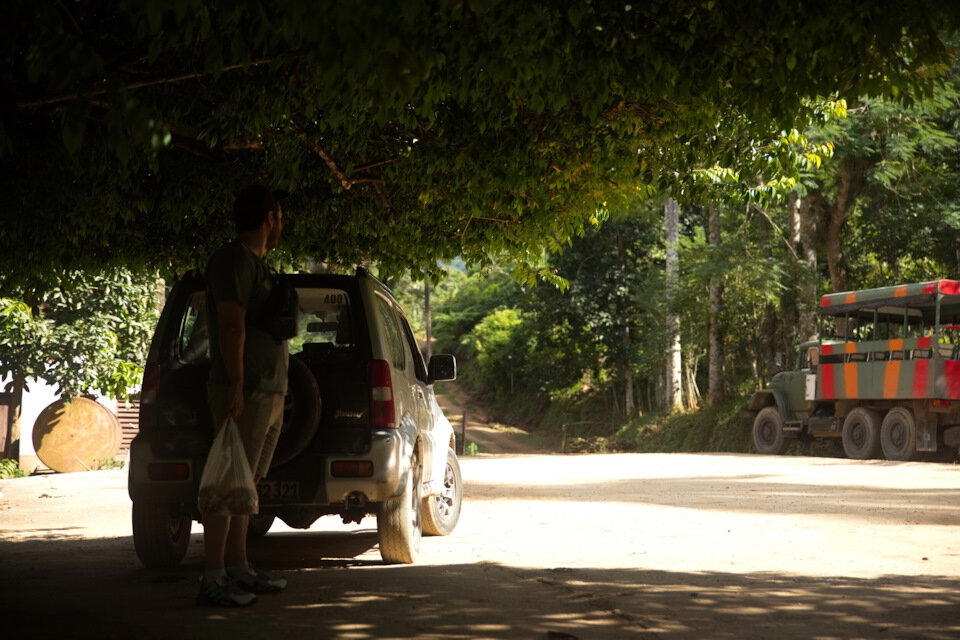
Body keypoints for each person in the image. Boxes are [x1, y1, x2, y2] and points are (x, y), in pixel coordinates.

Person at [197, 185, 289, 607]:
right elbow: (231, 326)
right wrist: (236, 385)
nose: (281, 223)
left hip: (268, 390)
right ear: (269, 217)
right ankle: (213, 577)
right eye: (280, 215)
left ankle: (238, 567)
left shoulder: (257, 264)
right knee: (227, 481)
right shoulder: (232, 260)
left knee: (246, 485)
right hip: (245, 391)